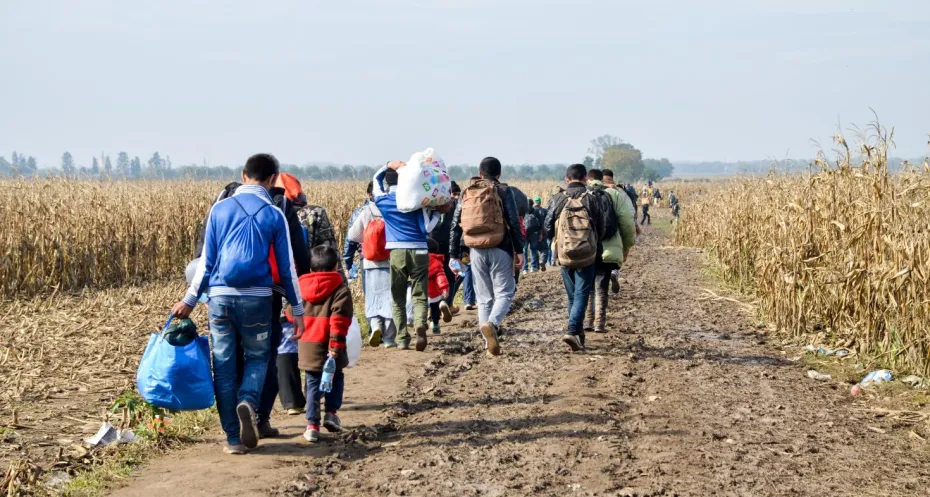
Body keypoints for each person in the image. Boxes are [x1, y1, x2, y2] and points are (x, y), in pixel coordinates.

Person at [172, 153, 305, 455]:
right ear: (274, 180)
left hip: (220, 298)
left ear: (244, 175)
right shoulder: (275, 214)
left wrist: (189, 300)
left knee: (224, 367)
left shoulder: (219, 209)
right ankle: (249, 401)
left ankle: (233, 438)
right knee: (258, 358)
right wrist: (297, 311)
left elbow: (206, 262)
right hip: (258, 298)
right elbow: (287, 269)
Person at [450, 157, 524, 356]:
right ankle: (492, 324)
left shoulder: (467, 192)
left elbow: (455, 224)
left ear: (480, 173)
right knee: (505, 292)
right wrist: (519, 250)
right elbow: (514, 223)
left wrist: (454, 254)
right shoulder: (504, 190)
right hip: (500, 246)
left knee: (483, 298)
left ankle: (486, 343)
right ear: (499, 174)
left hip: (475, 249)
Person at [372, 162, 445, 351]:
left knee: (397, 297)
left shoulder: (384, 200)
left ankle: (403, 338)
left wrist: (387, 165)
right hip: (420, 250)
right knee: (420, 293)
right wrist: (436, 213)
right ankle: (420, 323)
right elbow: (427, 228)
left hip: (396, 251)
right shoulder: (415, 200)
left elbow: (375, 181)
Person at [293, 245, 353, 443]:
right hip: (331, 346)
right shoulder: (340, 289)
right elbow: (339, 320)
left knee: (312, 384)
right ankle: (331, 413)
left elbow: (289, 312)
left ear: (310, 268)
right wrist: (336, 345)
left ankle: (311, 425)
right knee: (335, 378)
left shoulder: (300, 287)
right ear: (336, 266)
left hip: (307, 345)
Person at [544, 163, 604, 351]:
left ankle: (578, 335)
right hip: (587, 254)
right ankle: (573, 331)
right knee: (581, 295)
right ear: (586, 178)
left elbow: (547, 227)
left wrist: (557, 240)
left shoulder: (557, 198)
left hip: (564, 255)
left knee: (572, 296)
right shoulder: (592, 199)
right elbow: (602, 226)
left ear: (566, 179)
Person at [584, 169, 636, 332]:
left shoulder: (583, 194)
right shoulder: (616, 195)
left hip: (585, 247)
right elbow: (627, 222)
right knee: (602, 286)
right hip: (609, 247)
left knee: (587, 286)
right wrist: (626, 246)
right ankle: (600, 323)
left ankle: (587, 321)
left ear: (588, 179)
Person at [346, 187, 397, 348]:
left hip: (369, 262)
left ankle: (375, 327)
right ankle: (389, 338)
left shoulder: (366, 210)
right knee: (390, 298)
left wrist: (365, 242)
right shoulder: (392, 210)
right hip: (390, 261)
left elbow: (352, 235)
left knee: (373, 297)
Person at [431, 181, 462, 315]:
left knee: (432, 275)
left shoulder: (430, 204)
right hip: (448, 244)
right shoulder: (454, 205)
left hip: (431, 244)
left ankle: (433, 308)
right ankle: (447, 303)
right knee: (449, 275)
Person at [342, 182, 374, 283]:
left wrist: (347, 265)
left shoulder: (360, 212)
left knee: (369, 291)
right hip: (386, 257)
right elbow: (350, 240)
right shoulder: (391, 209)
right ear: (370, 195)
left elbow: (351, 239)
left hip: (367, 257)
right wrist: (347, 265)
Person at [427, 238, 452, 335]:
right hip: (435, 292)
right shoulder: (437, 262)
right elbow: (440, 276)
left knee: (420, 308)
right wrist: (445, 288)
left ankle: (420, 324)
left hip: (421, 291)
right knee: (434, 308)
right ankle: (436, 325)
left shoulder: (419, 261)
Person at [522, 197, 543, 273]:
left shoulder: (523, 211)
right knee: (533, 250)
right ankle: (533, 267)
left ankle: (525, 268)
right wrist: (540, 234)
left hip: (525, 233)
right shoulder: (536, 211)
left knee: (524, 250)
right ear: (532, 204)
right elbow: (540, 223)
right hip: (534, 233)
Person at [531, 196, 548, 272]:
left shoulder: (531, 211)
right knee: (544, 249)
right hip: (543, 232)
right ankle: (542, 260)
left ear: (534, 202)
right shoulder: (544, 211)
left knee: (534, 250)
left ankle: (535, 267)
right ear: (540, 202)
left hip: (532, 233)